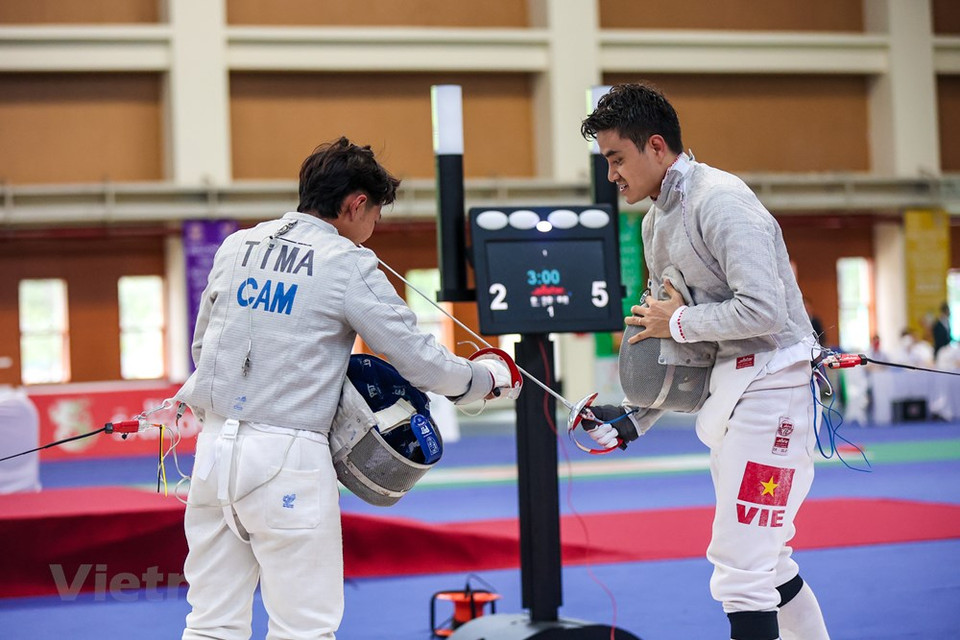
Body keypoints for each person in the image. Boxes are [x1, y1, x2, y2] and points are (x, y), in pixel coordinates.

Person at [175, 137, 514, 640]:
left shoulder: (236, 245)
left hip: (212, 456)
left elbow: (204, 348)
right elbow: (417, 358)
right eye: (374, 215)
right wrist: (483, 380)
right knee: (303, 629)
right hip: (286, 460)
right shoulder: (347, 262)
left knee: (211, 623)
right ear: (356, 204)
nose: (372, 228)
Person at [580, 84, 829, 640]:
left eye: (617, 158)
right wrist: (634, 416)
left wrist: (679, 323)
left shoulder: (721, 199)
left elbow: (762, 310)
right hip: (731, 398)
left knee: (743, 568)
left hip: (774, 396)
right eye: (606, 162)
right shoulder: (652, 225)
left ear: (658, 147)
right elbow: (668, 336)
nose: (612, 174)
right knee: (768, 562)